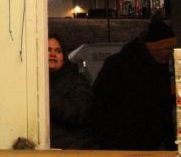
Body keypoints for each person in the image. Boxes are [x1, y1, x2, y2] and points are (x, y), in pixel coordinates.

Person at [91, 13, 177, 150]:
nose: (170, 53)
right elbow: (99, 105)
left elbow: (163, 112)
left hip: (149, 146)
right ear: (154, 47)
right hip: (121, 146)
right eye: (168, 48)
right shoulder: (118, 66)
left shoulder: (160, 68)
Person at [47, 34, 94, 149]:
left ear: (64, 57)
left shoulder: (76, 80)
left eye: (58, 51)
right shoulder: (33, 81)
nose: (53, 54)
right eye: (48, 50)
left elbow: (80, 113)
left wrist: (48, 96)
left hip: (71, 148)